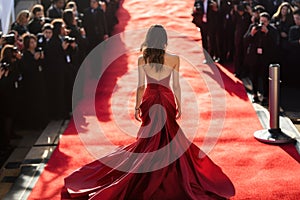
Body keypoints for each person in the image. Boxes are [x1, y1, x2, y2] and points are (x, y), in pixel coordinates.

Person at [61, 24, 235, 199]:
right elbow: (175, 85)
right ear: (165, 40)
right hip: (167, 100)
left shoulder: (143, 59)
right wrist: (179, 104)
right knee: (169, 137)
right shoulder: (173, 59)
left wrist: (137, 106)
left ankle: (145, 170)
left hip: (150, 100)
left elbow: (140, 86)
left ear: (149, 40)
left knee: (148, 141)